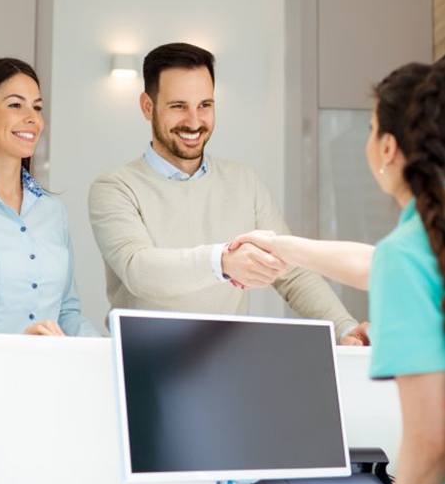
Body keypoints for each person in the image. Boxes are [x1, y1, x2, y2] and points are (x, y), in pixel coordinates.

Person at [230, 59, 445, 484]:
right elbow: (376, 264)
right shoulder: (419, 245)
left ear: (387, 148)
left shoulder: (409, 253)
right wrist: (283, 245)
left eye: (370, 129)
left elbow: (432, 435)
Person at [89, 42, 367, 344]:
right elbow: (138, 270)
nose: (194, 122)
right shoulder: (115, 188)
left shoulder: (244, 183)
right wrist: (221, 261)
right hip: (142, 361)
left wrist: (344, 327)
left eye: (205, 105)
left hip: (226, 361)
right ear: (147, 106)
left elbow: (292, 273)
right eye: (178, 106)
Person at [0, 57, 98, 336]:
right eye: (15, 104)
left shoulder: (53, 211)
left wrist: (108, 352)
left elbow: (67, 311)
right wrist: (16, 345)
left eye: (37, 107)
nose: (33, 119)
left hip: (47, 375)